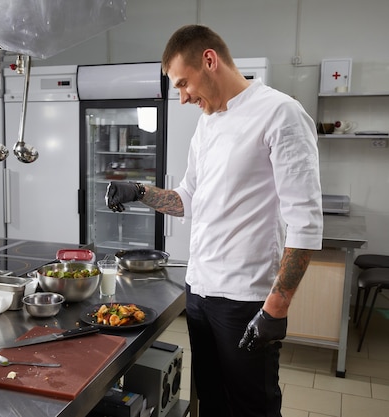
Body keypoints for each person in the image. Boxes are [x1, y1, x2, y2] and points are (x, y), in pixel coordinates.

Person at [106, 25, 323, 417]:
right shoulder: (207, 125)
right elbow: (186, 199)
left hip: (246, 299)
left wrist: (277, 306)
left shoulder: (280, 113)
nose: (183, 97)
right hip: (201, 291)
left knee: (251, 406)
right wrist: (139, 191)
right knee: (211, 400)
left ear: (210, 60)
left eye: (183, 83)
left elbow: (306, 222)